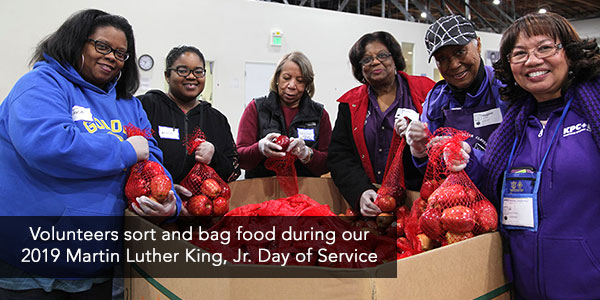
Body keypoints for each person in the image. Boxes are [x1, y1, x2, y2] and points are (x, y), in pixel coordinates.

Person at [0, 9, 181, 298]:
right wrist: (124, 151)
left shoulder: (129, 104)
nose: (112, 57)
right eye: (102, 46)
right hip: (32, 263)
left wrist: (171, 203)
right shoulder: (40, 85)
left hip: (97, 261)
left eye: (121, 53)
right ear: (75, 42)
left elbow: (152, 160)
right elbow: (48, 146)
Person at [461, 13, 600, 299]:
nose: (532, 60)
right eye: (519, 53)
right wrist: (466, 160)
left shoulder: (593, 115)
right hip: (524, 286)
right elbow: (491, 185)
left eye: (545, 48)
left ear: (570, 54)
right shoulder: (513, 127)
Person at [328, 31, 435, 216]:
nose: (375, 62)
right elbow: (340, 156)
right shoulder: (349, 104)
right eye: (366, 60)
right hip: (373, 207)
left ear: (395, 59)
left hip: (421, 204)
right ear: (360, 68)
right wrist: (360, 191)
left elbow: (443, 137)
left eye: (382, 55)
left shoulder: (427, 91)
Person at [403, 15, 507, 174]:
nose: (454, 65)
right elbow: (432, 171)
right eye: (442, 59)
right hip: (458, 195)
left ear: (478, 44)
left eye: (460, 52)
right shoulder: (436, 100)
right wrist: (420, 152)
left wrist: (470, 156)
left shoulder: (504, 88)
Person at [138, 45, 240, 189]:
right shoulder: (146, 106)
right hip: (152, 203)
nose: (191, 76)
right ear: (167, 75)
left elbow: (233, 172)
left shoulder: (217, 119)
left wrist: (214, 156)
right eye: (182, 71)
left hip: (201, 206)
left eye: (198, 72)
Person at [237, 51, 331, 178]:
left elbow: (328, 163)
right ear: (277, 78)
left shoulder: (319, 115)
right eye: (286, 78)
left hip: (305, 192)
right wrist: (259, 148)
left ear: (307, 84)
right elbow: (240, 158)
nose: (292, 86)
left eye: (300, 81)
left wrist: (307, 154)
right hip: (262, 191)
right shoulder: (256, 108)